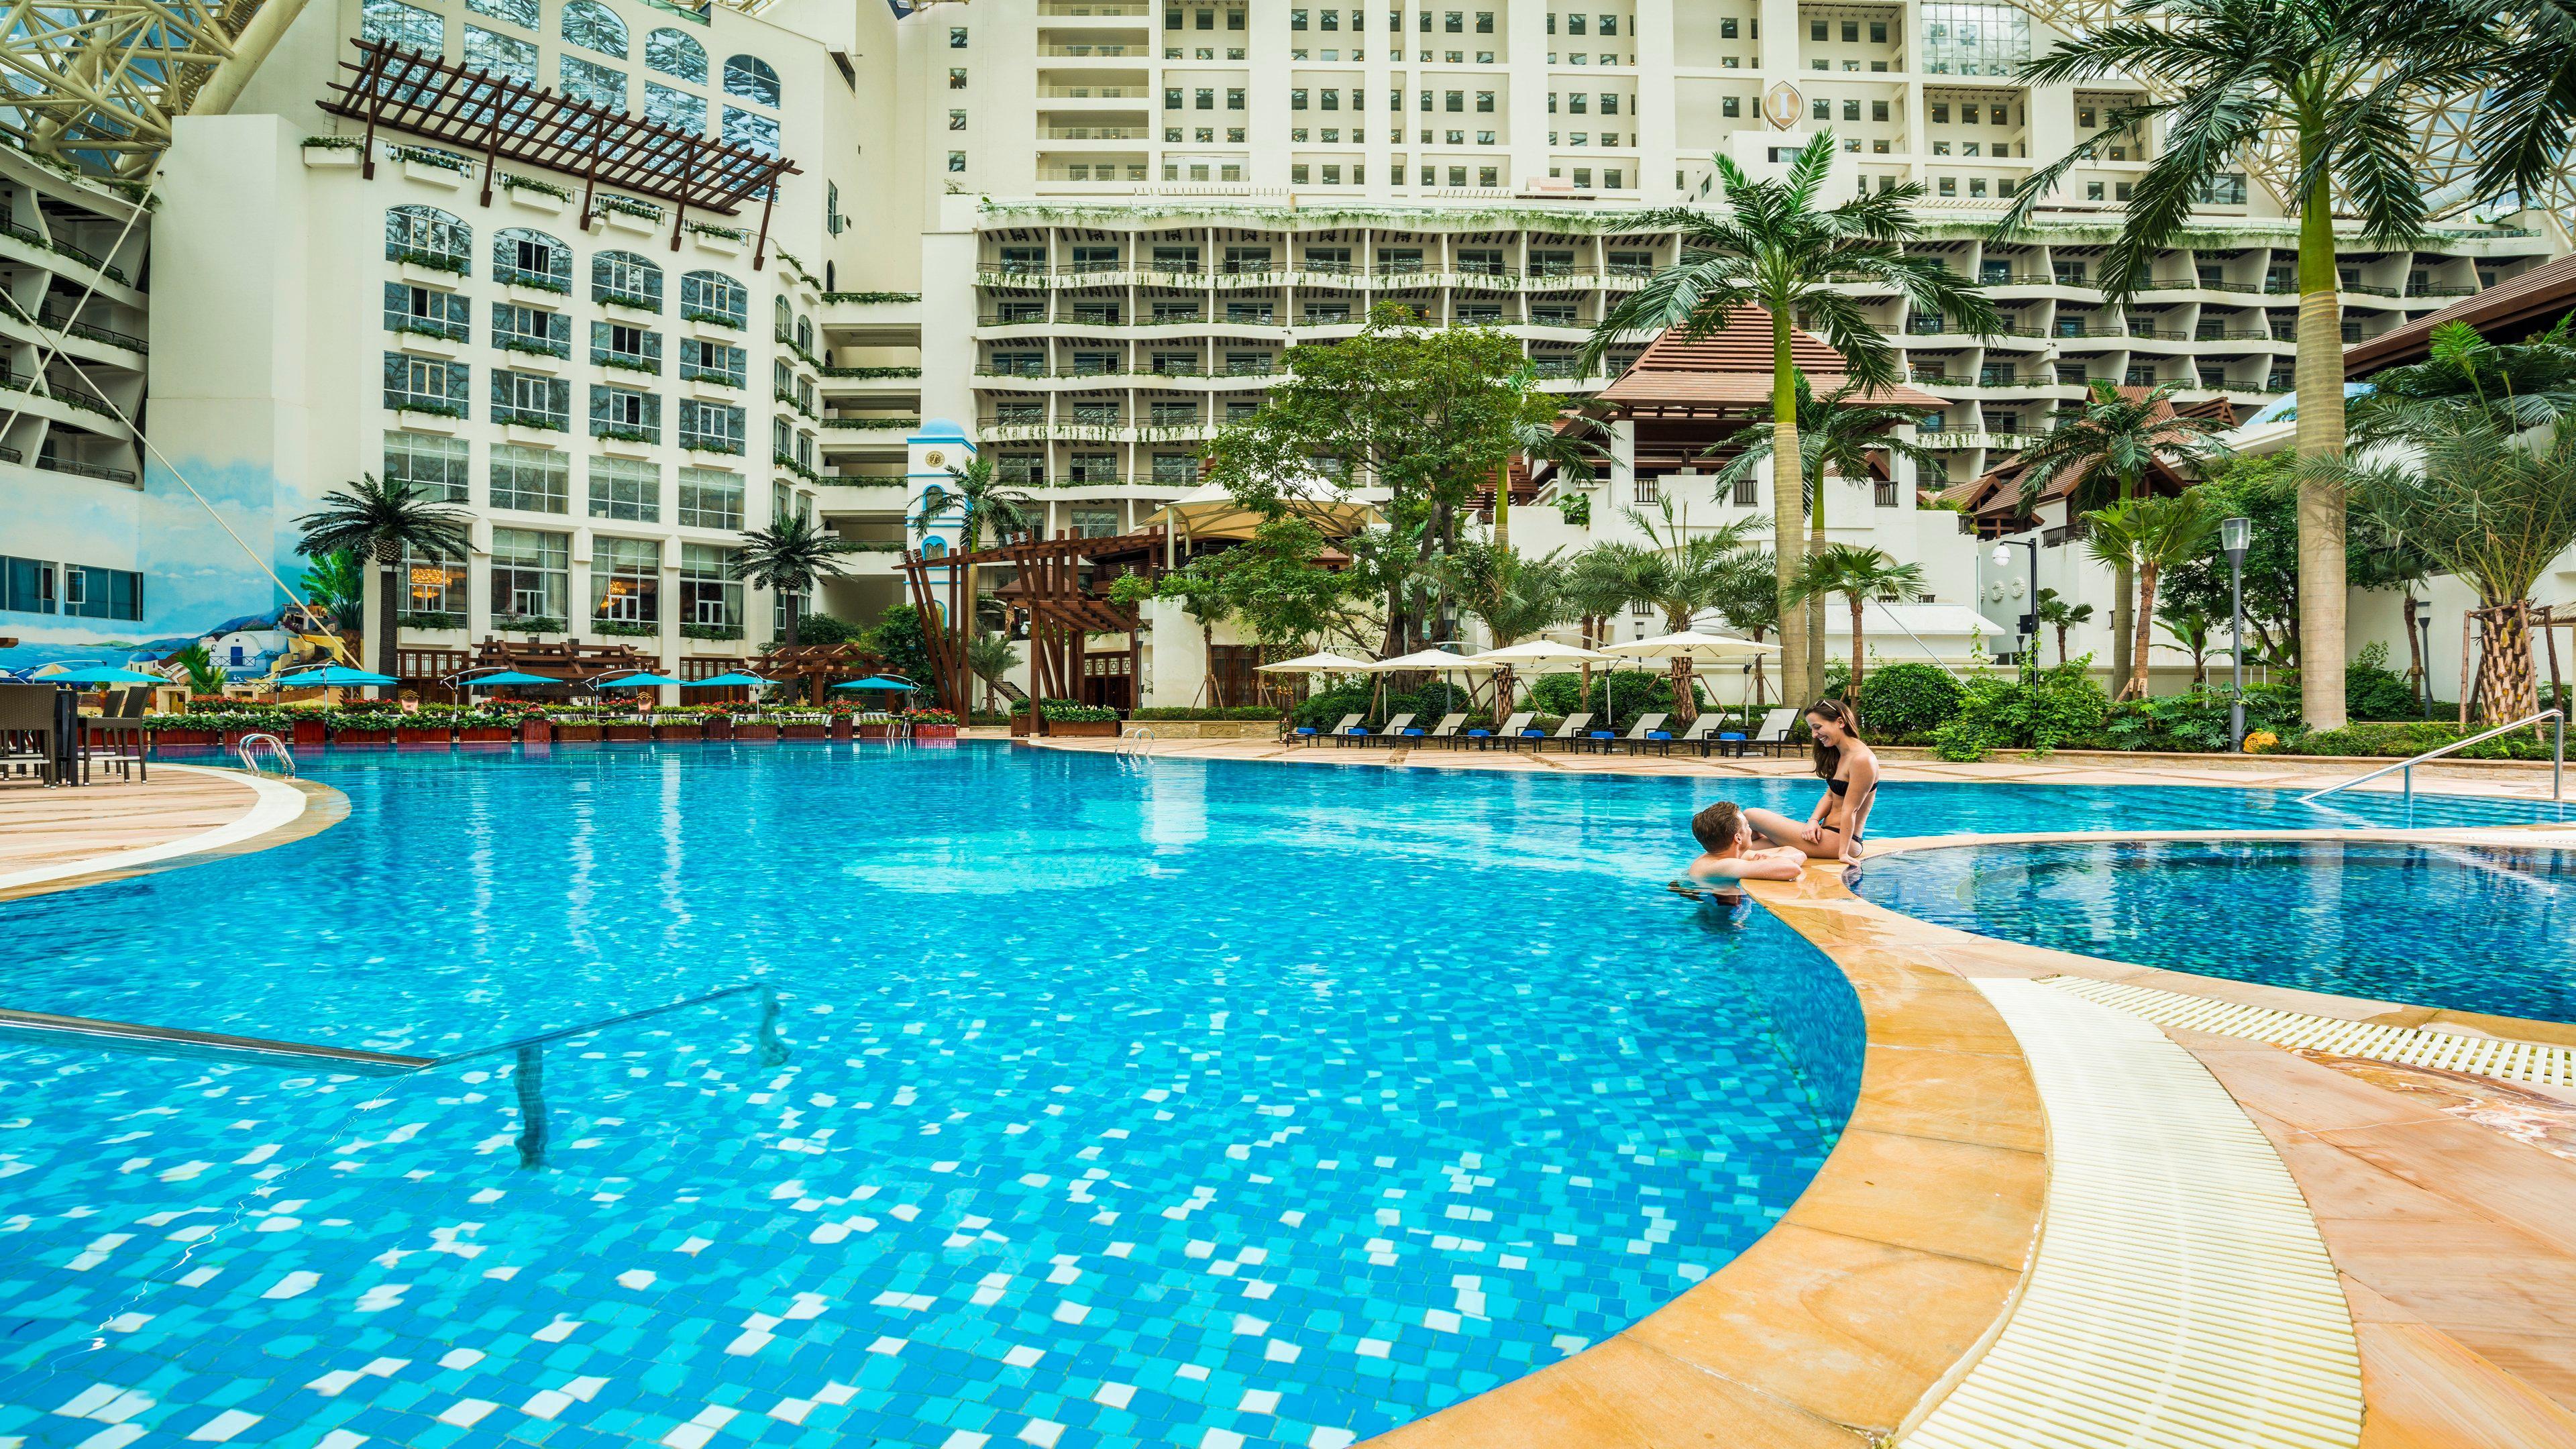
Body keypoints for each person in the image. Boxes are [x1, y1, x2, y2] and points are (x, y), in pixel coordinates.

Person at [1743, 698, 1878, 862]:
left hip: (1842, 841)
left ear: (1840, 722)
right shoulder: (1840, 754)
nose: (1814, 735)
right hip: (1824, 834)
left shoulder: (1862, 760)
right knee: (1743, 850)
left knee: (1751, 815)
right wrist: (1813, 821)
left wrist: (1843, 854)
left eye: (1817, 727)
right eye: (1812, 729)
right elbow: (1830, 796)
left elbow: (1850, 810)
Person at [1681, 800, 1807, 888]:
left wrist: (1770, 860)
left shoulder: (1727, 856)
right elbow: (1792, 869)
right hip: (1721, 921)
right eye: (1747, 826)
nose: (1751, 830)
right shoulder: (1723, 866)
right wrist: (1769, 861)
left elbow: (1797, 852)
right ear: (1738, 838)